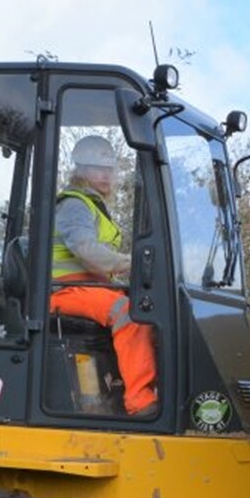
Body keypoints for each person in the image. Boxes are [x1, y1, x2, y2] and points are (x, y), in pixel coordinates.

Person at [50, 135, 158, 415]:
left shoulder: (94, 206)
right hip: (63, 290)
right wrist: (128, 264)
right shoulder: (75, 205)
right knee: (129, 313)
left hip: (89, 288)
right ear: (81, 171)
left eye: (110, 169)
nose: (106, 175)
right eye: (98, 169)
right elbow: (84, 249)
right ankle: (140, 401)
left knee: (152, 305)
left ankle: (143, 387)